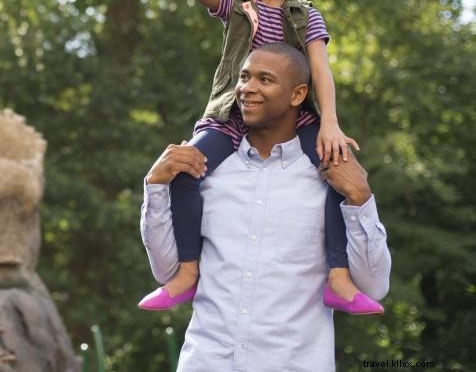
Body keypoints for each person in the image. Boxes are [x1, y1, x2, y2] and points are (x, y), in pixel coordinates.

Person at [88, 0, 382, 314]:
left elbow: (320, 71)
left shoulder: (306, 15)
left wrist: (330, 122)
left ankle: (338, 276)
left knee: (338, 168)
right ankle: (188, 272)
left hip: (296, 118)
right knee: (185, 169)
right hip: (231, 115)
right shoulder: (236, 5)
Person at [141, 43, 391, 371]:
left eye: (265, 79)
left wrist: (360, 198)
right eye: (244, 77)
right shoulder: (206, 171)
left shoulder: (328, 178)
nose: (247, 88)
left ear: (297, 94)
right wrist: (155, 186)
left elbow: (374, 286)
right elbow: (165, 271)